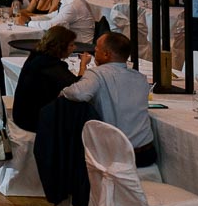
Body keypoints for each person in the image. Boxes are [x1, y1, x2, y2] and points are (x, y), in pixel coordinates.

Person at [60, 32, 156, 166]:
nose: (94, 53)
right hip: (145, 154)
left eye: (96, 49)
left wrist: (62, 92)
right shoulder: (141, 78)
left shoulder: (97, 74)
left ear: (106, 54)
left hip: (114, 156)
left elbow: (78, 94)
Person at [12, 25, 79, 132]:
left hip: (22, 113)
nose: (74, 48)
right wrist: (83, 66)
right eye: (71, 45)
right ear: (61, 46)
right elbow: (77, 88)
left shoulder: (36, 56)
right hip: (33, 120)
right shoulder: (51, 65)